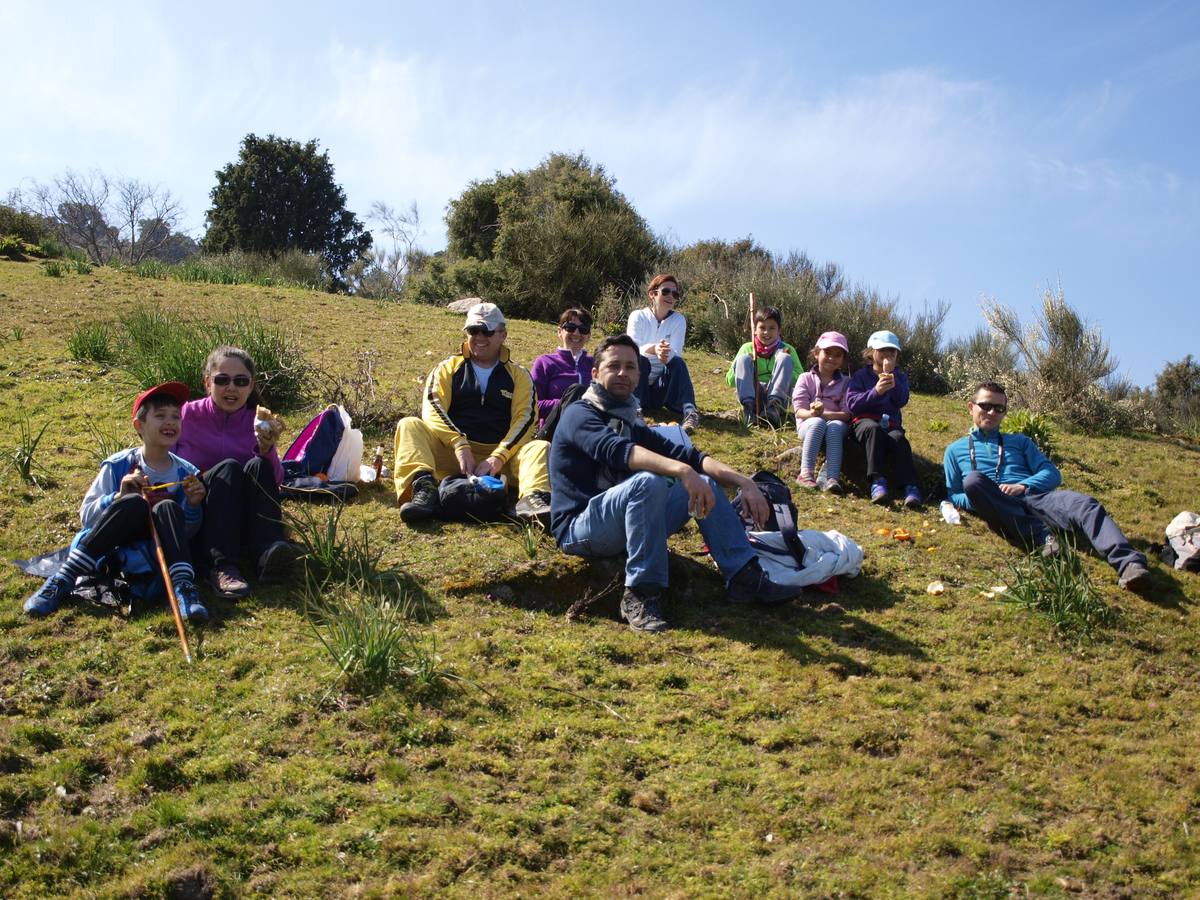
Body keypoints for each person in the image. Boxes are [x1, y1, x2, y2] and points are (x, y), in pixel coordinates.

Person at [549, 334, 803, 633]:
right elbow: (617, 452)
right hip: (579, 528)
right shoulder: (580, 413)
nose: (622, 373)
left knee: (705, 480)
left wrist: (744, 482)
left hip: (621, 520)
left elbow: (689, 454)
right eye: (614, 366)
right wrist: (682, 471)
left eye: (630, 367)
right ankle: (641, 594)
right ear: (595, 373)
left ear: (639, 375)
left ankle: (744, 577)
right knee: (648, 482)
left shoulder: (630, 420)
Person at [24, 382, 209, 621]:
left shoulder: (187, 473)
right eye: (160, 416)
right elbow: (87, 517)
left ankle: (183, 587)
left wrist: (193, 505)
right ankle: (63, 578)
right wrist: (117, 497)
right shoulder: (118, 464)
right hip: (114, 542)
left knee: (167, 507)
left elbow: (187, 533)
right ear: (139, 425)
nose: (170, 422)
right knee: (134, 502)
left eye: (176, 417)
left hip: (156, 550)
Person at [944, 381, 1152, 590]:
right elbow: (954, 494)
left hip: (1034, 498)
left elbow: (1052, 474)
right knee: (973, 480)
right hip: (996, 505)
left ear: (1005, 413)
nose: (991, 412)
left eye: (999, 408)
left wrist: (1023, 486)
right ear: (971, 407)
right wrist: (986, 499)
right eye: (985, 406)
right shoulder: (954, 450)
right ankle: (1043, 538)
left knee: (1085, 504)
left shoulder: (1020, 441)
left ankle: (1130, 564)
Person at [394, 301, 552, 525]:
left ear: (503, 335)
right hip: (453, 456)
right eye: (473, 330)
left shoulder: (519, 375)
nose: (479, 337)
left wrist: (498, 457)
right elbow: (432, 407)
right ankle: (424, 490)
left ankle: (533, 501)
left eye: (487, 331)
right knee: (410, 425)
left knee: (538, 447)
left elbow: (525, 419)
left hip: (503, 460)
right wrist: (459, 444)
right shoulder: (448, 368)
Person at [175, 346, 296, 600]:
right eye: (222, 380)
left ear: (251, 386)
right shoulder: (186, 415)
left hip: (243, 515)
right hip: (199, 512)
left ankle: (269, 551)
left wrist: (267, 449)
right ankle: (221, 566)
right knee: (229, 467)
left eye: (241, 381)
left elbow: (276, 482)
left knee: (258, 465)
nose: (232, 388)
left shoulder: (258, 421)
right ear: (207, 382)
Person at [846, 330, 922, 508]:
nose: (888, 355)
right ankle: (878, 481)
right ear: (871, 353)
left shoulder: (900, 377)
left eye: (892, 352)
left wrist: (892, 383)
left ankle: (911, 487)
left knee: (898, 439)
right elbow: (852, 404)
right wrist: (876, 392)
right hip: (864, 422)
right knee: (873, 430)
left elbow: (901, 400)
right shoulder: (861, 376)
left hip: (891, 423)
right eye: (883, 351)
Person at [626, 273, 701, 433]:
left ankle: (690, 412)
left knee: (678, 362)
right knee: (640, 359)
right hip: (639, 385)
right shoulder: (637, 316)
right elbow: (631, 348)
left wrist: (665, 354)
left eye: (675, 294)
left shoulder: (679, 320)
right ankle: (634, 409)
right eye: (666, 291)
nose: (671, 297)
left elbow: (676, 354)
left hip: (662, 390)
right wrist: (654, 349)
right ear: (652, 294)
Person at [792, 331, 852, 493]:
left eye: (838, 355)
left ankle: (832, 478)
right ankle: (805, 474)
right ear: (817, 353)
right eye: (828, 353)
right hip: (809, 425)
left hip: (836, 427)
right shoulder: (805, 378)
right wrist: (813, 414)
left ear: (843, 359)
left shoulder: (847, 382)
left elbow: (847, 414)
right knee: (817, 423)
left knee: (835, 426)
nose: (832, 358)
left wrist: (824, 414)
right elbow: (799, 411)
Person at [726, 305, 801, 427]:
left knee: (784, 358)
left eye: (772, 328)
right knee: (743, 359)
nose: (766, 332)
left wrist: (782, 367)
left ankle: (773, 411)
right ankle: (749, 411)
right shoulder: (747, 348)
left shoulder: (788, 349)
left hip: (780, 397)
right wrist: (744, 365)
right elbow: (729, 381)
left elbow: (800, 379)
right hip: (754, 394)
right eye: (762, 327)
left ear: (779, 330)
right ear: (755, 329)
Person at [530, 307, 594, 427]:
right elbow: (532, 405)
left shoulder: (595, 364)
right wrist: (565, 403)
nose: (576, 333)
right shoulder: (544, 363)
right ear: (560, 331)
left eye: (583, 329)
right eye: (570, 327)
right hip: (555, 430)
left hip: (590, 430)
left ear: (588, 335)